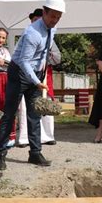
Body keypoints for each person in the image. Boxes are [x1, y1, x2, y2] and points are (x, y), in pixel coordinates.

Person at [0, 0, 66, 170]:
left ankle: (35, 153)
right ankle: (1, 154)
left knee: (34, 114)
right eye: (52, 16)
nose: (55, 20)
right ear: (44, 12)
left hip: (36, 74)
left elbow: (43, 54)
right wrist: (36, 81)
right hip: (19, 74)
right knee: (9, 113)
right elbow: (25, 62)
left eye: (58, 17)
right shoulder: (32, 33)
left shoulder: (52, 29)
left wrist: (40, 75)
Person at [17, 8, 61, 147]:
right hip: (25, 75)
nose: (36, 22)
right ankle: (24, 138)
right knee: (25, 108)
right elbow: (20, 58)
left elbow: (57, 58)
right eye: (33, 20)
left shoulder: (50, 37)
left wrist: (45, 55)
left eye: (38, 19)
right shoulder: (27, 34)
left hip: (43, 74)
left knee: (45, 105)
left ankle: (47, 136)